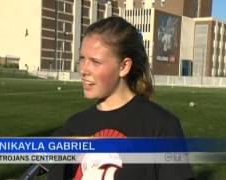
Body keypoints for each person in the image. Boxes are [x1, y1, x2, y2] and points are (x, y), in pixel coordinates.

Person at [47, 16, 194, 180]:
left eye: (95, 61)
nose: (83, 70)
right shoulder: (73, 126)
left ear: (124, 67)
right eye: (82, 59)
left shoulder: (161, 127)